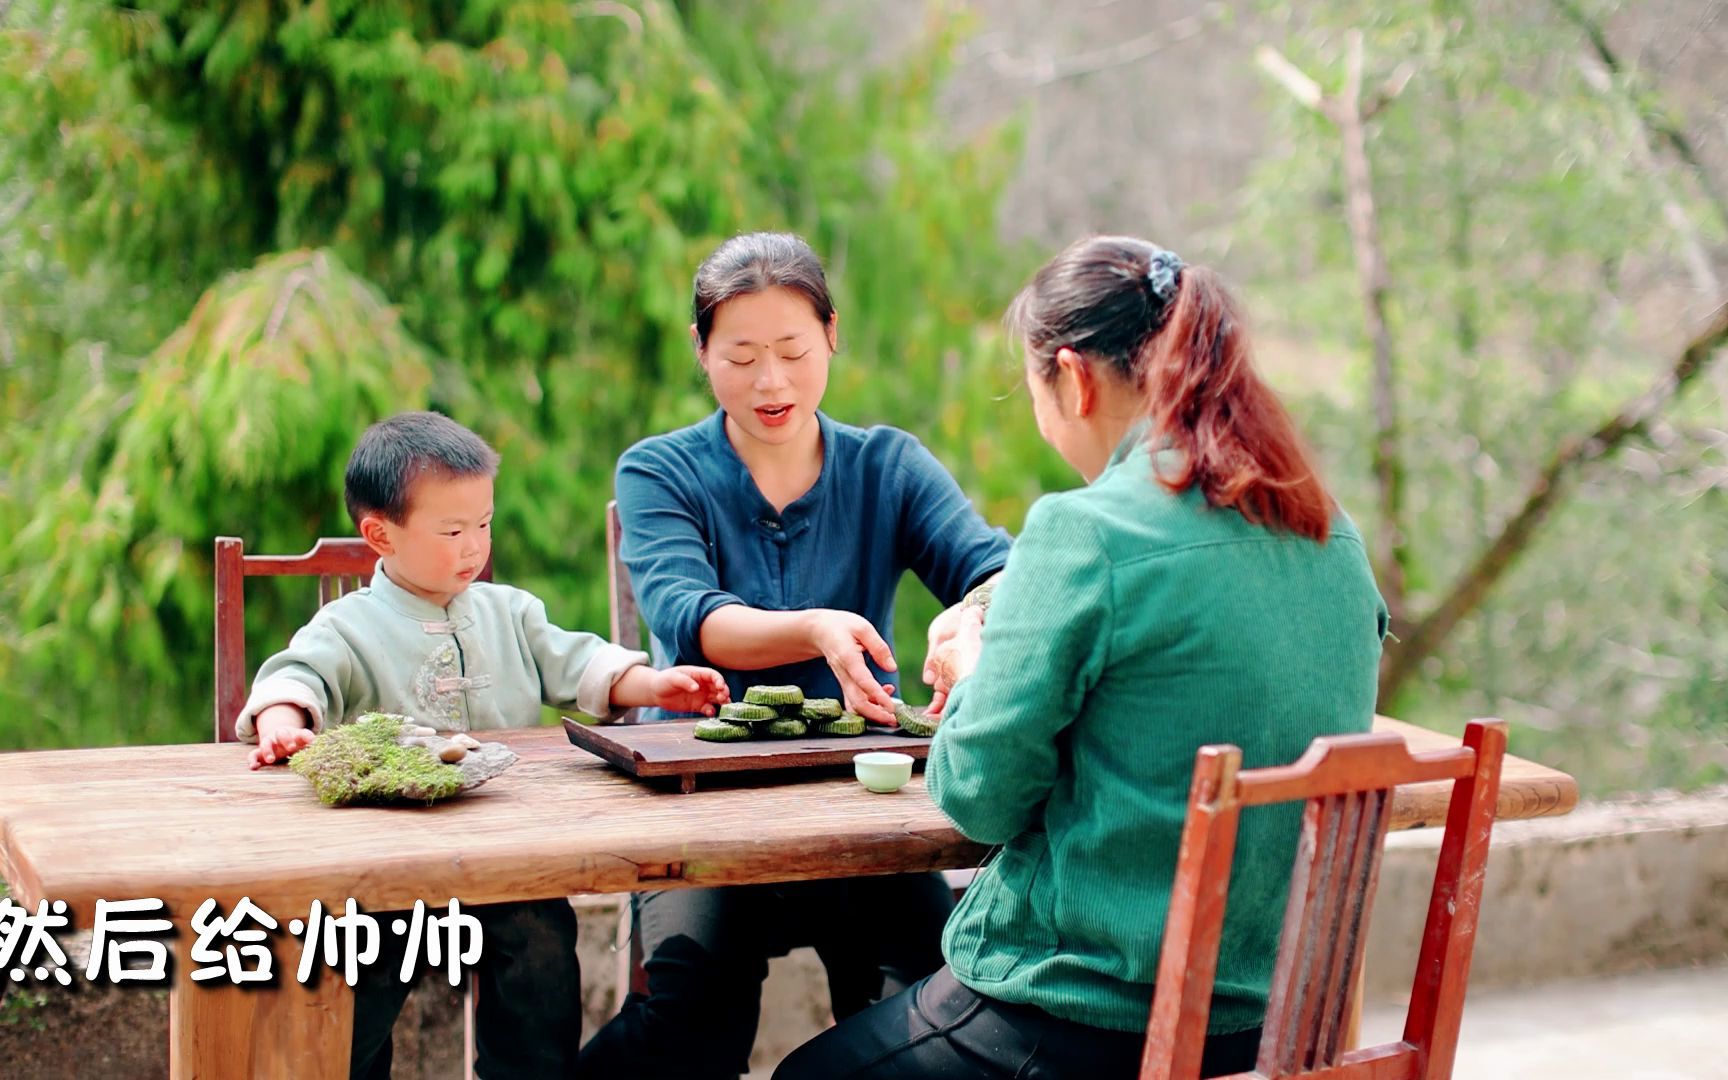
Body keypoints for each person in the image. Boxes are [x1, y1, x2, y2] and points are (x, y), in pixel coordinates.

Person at [774, 236, 1390, 1079]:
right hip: (1269, 1023)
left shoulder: (1087, 532)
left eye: (1032, 388)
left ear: (1072, 375)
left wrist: (978, 665)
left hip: (1083, 1022)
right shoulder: (1329, 528)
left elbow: (980, 800)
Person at [578, 232, 1012, 1078]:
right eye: (741, 356)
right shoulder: (659, 471)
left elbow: (998, 568)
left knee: (928, 1006)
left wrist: (973, 622)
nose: (770, 381)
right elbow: (689, 616)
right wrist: (815, 626)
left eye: (792, 351)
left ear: (832, 336)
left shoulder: (890, 465)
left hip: (864, 814)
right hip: (699, 816)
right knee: (687, 1021)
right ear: (702, 352)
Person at [238, 410, 730, 1080]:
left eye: (484, 524)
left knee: (540, 952)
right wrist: (284, 721)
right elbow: (299, 675)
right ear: (380, 534)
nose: (474, 546)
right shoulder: (348, 625)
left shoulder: (510, 612)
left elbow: (577, 663)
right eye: (452, 530)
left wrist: (655, 683)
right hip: (386, 869)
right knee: (362, 984)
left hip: (509, 859)